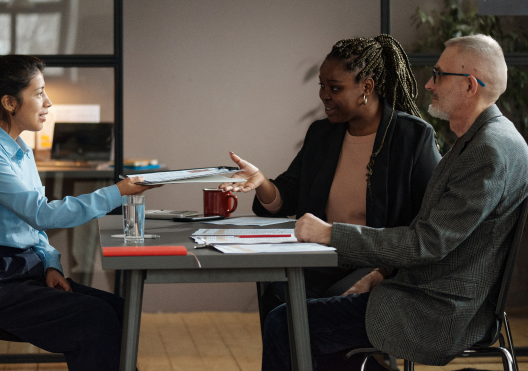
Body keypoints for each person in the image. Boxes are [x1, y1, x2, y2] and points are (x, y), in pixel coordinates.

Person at [261, 34, 528, 371]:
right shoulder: (487, 140)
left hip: (437, 310)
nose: (429, 84)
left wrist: (330, 234)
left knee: (285, 324)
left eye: (439, 74)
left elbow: (426, 242)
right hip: (428, 292)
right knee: (297, 324)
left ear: (470, 87)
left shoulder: (486, 152)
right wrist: (383, 274)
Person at [0, 55, 159, 371]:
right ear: (10, 103)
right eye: (38, 93)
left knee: (118, 308)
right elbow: (42, 214)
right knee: (95, 319)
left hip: (20, 270)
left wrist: (50, 264)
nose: (48, 102)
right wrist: (117, 191)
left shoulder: (20, 149)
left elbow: (31, 222)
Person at [221, 35, 441, 312]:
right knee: (277, 295)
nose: (324, 95)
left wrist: (385, 270)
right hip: (324, 259)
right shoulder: (322, 134)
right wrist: (262, 182)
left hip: (379, 265)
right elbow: (289, 195)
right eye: (322, 86)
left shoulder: (412, 137)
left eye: (335, 88)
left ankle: (357, 358)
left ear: (367, 87)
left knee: (322, 309)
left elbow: (429, 222)